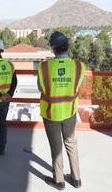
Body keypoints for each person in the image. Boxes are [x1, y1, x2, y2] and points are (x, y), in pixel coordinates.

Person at [37, 31, 86, 190]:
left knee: (56, 147)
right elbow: (79, 84)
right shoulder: (79, 66)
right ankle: (76, 179)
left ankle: (59, 181)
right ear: (67, 46)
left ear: (53, 49)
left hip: (51, 113)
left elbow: (40, 87)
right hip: (70, 112)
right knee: (71, 143)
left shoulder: (44, 67)